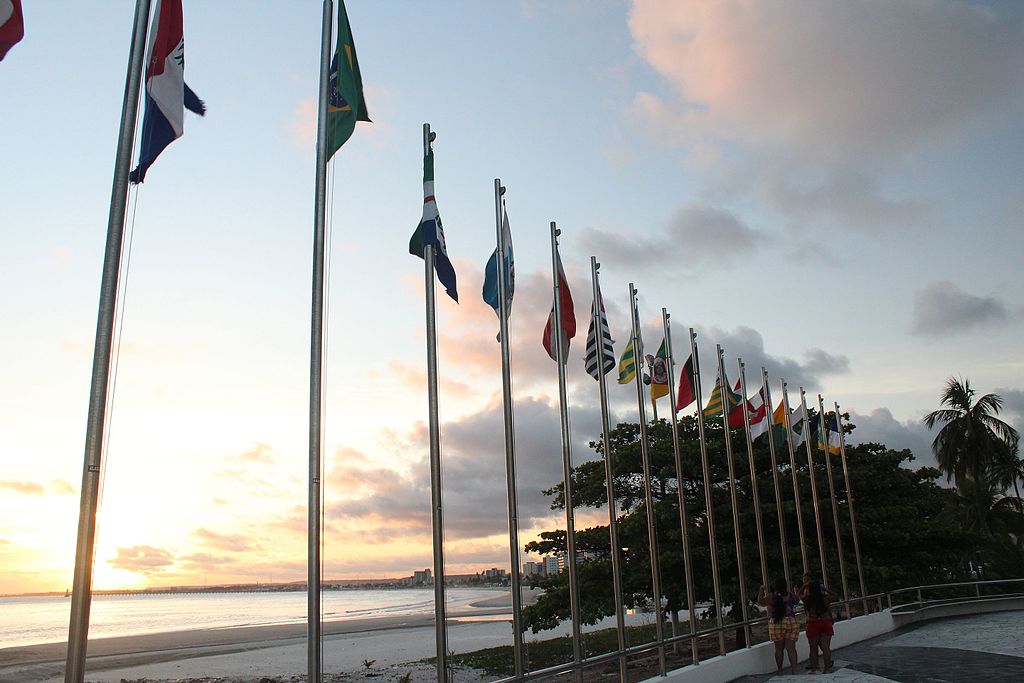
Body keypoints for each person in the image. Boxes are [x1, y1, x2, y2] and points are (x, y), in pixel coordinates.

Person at [758, 578, 799, 675]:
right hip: (791, 621)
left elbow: (760, 602)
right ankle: (795, 670)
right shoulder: (790, 595)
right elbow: (797, 601)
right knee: (791, 648)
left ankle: (780, 670)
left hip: (777, 622)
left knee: (778, 648)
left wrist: (761, 590)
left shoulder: (772, 596)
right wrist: (796, 591)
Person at [801, 573, 840, 673]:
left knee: (813, 649)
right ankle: (826, 669)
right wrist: (825, 589)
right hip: (825, 622)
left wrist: (804, 587)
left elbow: (797, 597)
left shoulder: (807, 599)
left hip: (813, 623)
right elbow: (836, 596)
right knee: (826, 648)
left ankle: (814, 669)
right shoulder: (825, 599)